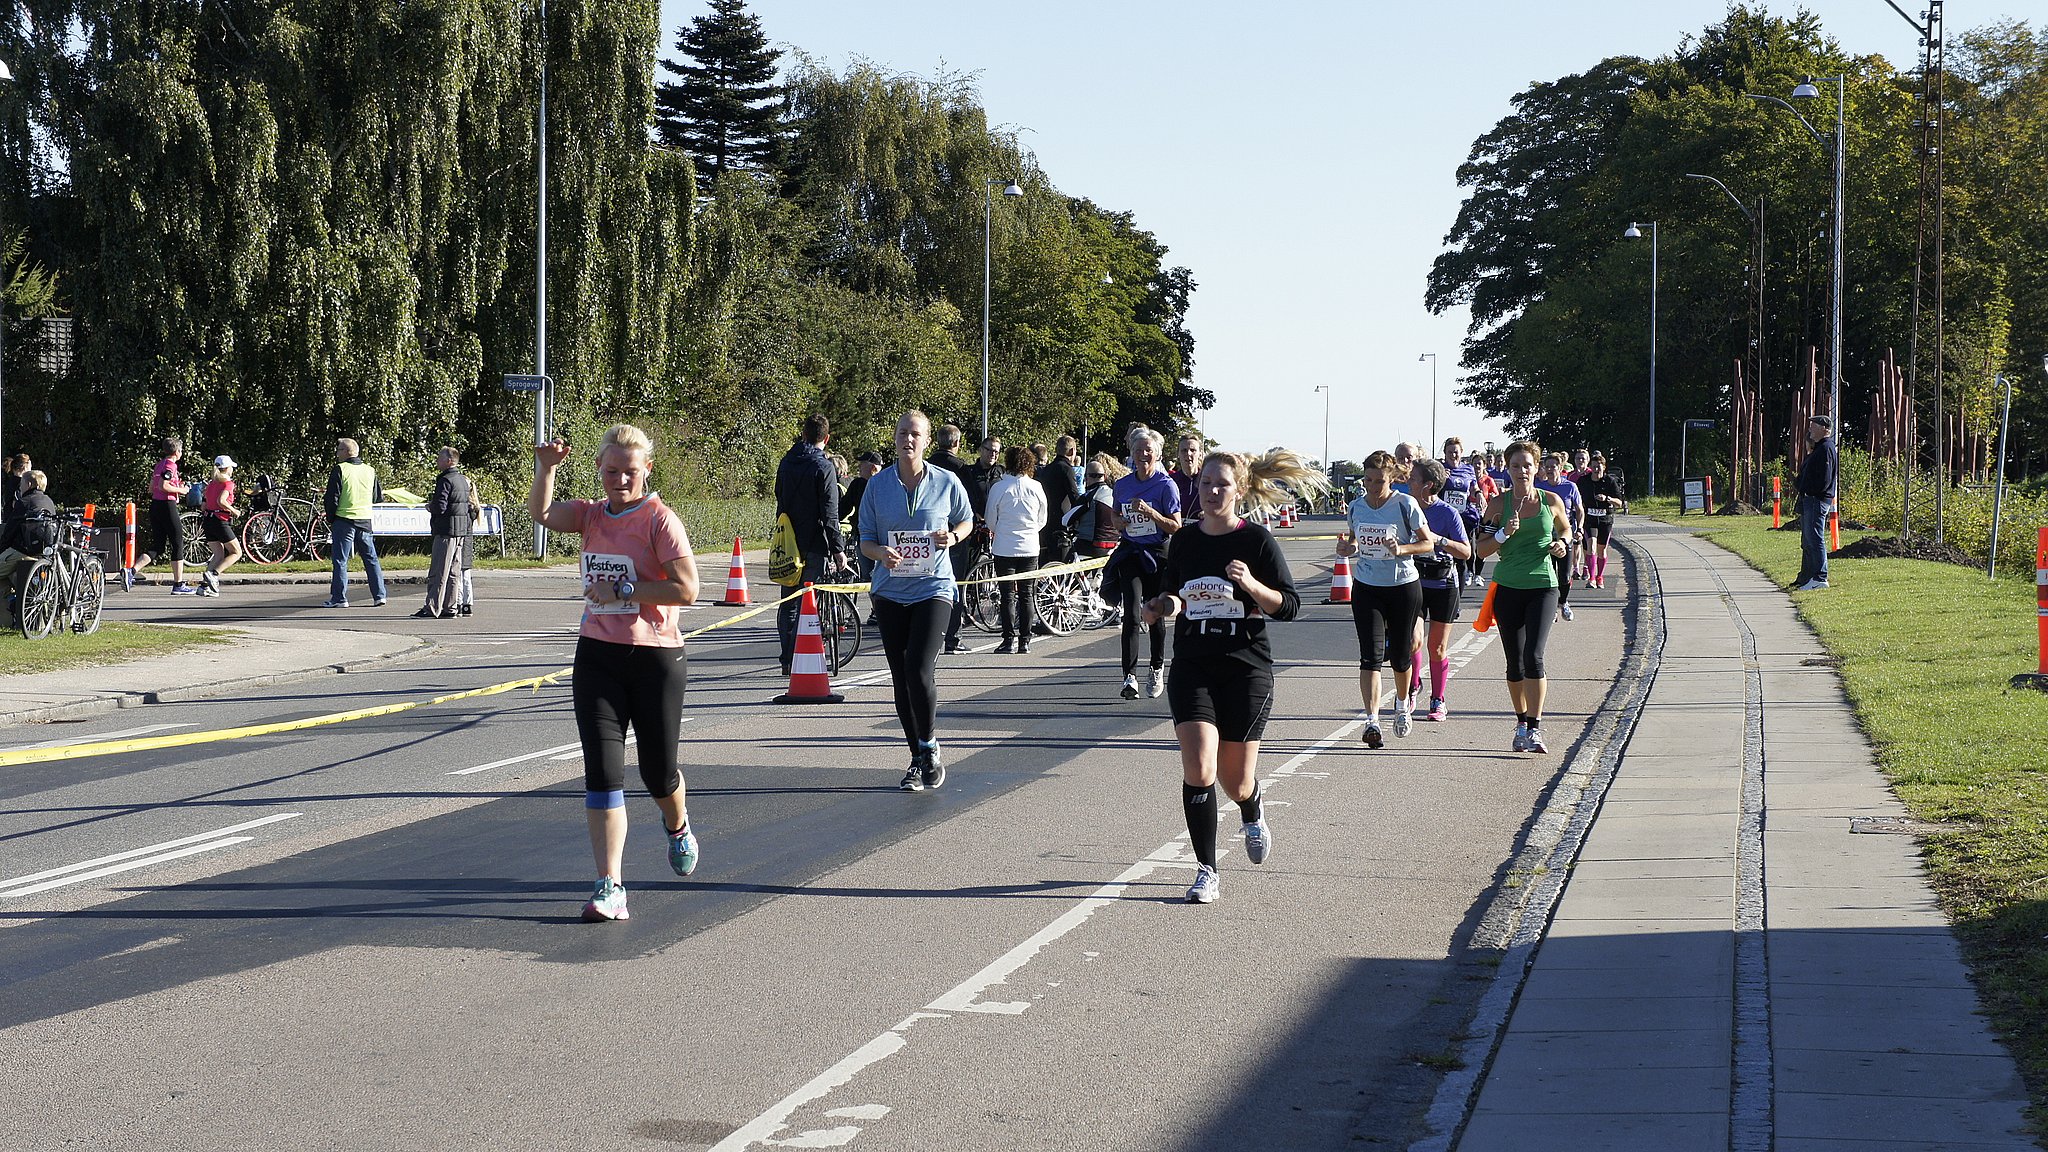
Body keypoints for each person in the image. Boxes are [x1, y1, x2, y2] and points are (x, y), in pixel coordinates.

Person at [529, 423, 701, 923]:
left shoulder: (660, 520)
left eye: (629, 472)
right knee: (603, 774)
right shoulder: (590, 515)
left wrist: (624, 592)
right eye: (610, 472)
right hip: (598, 656)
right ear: (600, 471)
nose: (619, 481)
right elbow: (541, 513)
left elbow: (687, 590)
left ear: (646, 469)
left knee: (657, 772)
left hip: (656, 660)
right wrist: (546, 469)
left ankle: (678, 826)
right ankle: (611, 886)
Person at [1141, 448, 1320, 904]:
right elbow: (1172, 593)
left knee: (1235, 781)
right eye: (1205, 484)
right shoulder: (1182, 541)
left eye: (1221, 484)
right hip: (1194, 665)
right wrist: (1160, 607)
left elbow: (1291, 606)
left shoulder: (1256, 542)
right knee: (1200, 767)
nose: (1212, 492)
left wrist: (1252, 586)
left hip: (1246, 668)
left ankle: (1251, 808)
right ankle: (1206, 870)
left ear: (1239, 490)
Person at [858, 410, 975, 792]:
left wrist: (952, 538)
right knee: (899, 676)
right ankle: (917, 758)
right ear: (894, 439)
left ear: (926, 441)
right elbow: (866, 540)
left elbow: (966, 521)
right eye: (902, 433)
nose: (908, 440)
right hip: (890, 590)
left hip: (934, 587)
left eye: (915, 434)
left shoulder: (947, 481)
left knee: (918, 667)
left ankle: (929, 746)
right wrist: (881, 555)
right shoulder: (877, 487)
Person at [1473, 441, 1572, 754]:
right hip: (1507, 587)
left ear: (1537, 467)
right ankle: (1519, 721)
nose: (1521, 471)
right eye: (1515, 465)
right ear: (1508, 468)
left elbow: (1566, 530)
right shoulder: (1497, 505)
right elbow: (1481, 549)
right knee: (1514, 664)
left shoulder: (1551, 501)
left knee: (1534, 656)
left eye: (1527, 465)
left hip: (1543, 585)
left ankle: (1535, 727)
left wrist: (1563, 545)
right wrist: (1504, 533)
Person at [1339, 450, 1437, 746]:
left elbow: (1428, 542)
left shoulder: (1405, 504)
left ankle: (1402, 704)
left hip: (1402, 587)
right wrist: (1348, 549)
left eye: (1379, 481)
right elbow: (1354, 540)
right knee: (1369, 655)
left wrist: (1402, 549)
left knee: (1401, 655)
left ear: (1391, 478)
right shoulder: (1356, 507)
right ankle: (1371, 722)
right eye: (1368, 479)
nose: (1372, 486)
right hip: (1367, 586)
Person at [1107, 426, 1182, 699]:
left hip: (1158, 554)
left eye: (1148, 451)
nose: (1143, 455)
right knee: (1131, 612)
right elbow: (1115, 517)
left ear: (1157, 454)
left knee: (1154, 611)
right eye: (1138, 451)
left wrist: (1150, 512)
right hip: (1131, 552)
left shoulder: (1166, 486)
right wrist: (1119, 522)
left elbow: (1176, 526)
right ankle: (1129, 677)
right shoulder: (1122, 485)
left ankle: (1156, 666)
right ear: (1132, 455)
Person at [774, 415, 845, 672]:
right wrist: (837, 548)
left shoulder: (786, 462)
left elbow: (778, 495)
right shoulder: (824, 467)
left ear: (803, 434)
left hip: (788, 540)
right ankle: (807, 655)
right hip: (815, 542)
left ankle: (787, 658)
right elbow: (830, 512)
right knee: (810, 600)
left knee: (789, 603)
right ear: (826, 439)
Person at [1404, 459, 1472, 722]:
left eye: (1414, 479)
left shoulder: (1447, 513)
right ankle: (1412, 688)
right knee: (1413, 639)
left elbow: (1466, 552)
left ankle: (1438, 699)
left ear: (1428, 486)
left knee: (1438, 647)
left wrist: (1438, 540)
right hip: (1414, 582)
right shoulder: (1405, 508)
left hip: (1444, 584)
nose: (1409, 482)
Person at [985, 445, 1048, 653]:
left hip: (1004, 546)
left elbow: (990, 518)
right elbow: (1042, 519)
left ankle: (1008, 640)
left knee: (1007, 595)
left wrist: (1001, 531)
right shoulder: (1037, 487)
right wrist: (1029, 531)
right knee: (1027, 594)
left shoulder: (999, 487)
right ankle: (1025, 640)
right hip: (1030, 545)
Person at [928, 424, 984, 656]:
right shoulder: (959, 468)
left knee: (928, 586)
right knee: (955, 585)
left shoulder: (927, 465)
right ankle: (953, 637)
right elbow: (970, 503)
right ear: (956, 444)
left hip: (927, 534)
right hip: (954, 534)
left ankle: (929, 636)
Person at [322, 437, 387, 609]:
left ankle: (339, 598)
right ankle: (379, 595)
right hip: (364, 519)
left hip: (344, 519)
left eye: (339, 450)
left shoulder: (340, 469)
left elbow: (332, 498)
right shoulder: (370, 470)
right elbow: (377, 497)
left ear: (346, 452)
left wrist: (331, 518)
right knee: (371, 559)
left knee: (340, 560)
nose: (337, 454)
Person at [125, 436, 195, 594]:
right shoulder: (171, 466)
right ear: (177, 452)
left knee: (158, 546)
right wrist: (182, 490)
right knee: (178, 543)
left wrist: (176, 485)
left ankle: (131, 571)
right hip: (167, 505)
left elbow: (152, 488)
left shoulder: (159, 465)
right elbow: (164, 486)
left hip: (155, 505)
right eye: (181, 450)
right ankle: (178, 585)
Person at [417, 446, 474, 619]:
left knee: (439, 570)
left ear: (449, 461)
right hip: (460, 531)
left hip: (446, 530)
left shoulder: (445, 480)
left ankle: (432, 607)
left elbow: (440, 507)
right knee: (454, 571)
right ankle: (450, 607)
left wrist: (430, 507)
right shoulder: (462, 480)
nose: (437, 461)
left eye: (440, 458)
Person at [0, 470, 58, 622]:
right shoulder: (48, 501)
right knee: (13, 575)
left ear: (29, 484)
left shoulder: (25, 502)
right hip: (41, 552)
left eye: (21, 485)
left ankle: (12, 598)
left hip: (21, 550)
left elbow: (10, 530)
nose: (19, 489)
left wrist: (1, 548)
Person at [1536, 453, 1585, 622]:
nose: (1549, 470)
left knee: (1564, 576)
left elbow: (1579, 510)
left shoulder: (1570, 487)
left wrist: (1580, 528)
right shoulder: (1539, 487)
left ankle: (1563, 602)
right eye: (1547, 466)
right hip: (1545, 538)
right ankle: (1551, 608)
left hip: (1565, 536)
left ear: (1560, 468)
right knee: (1547, 575)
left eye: (1553, 466)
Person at [1794, 415, 1838, 591]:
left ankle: (1820, 576)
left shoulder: (1826, 448)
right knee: (1808, 540)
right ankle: (1806, 577)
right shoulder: (1819, 449)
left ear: (1824, 428)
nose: (1810, 428)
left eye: (1814, 425)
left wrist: (1811, 490)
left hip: (1817, 500)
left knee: (1815, 538)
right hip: (1810, 499)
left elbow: (1824, 479)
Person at [842, 451, 884, 617]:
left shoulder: (887, 483)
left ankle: (887, 609)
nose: (859, 468)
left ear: (873, 467)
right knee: (867, 575)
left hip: (885, 537)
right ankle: (877, 610)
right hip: (864, 537)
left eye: (862, 464)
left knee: (885, 574)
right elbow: (843, 508)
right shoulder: (857, 485)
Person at [196, 455, 243, 596]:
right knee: (236, 552)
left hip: (208, 520)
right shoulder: (228, 483)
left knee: (218, 555)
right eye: (231, 468)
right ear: (227, 469)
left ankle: (204, 587)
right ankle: (214, 575)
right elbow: (221, 500)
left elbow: (203, 506)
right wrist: (234, 511)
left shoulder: (211, 483)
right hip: (219, 520)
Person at [1575, 452, 1623, 588]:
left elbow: (1619, 503)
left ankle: (1599, 576)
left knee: (1602, 550)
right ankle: (1591, 578)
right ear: (1590, 467)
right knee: (1591, 545)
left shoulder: (1610, 482)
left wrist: (1607, 499)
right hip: (1589, 519)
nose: (1596, 470)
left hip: (1605, 519)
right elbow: (1577, 499)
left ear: (1604, 467)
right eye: (1594, 467)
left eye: (1599, 467)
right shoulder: (1583, 481)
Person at [1035, 435, 1083, 563]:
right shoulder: (1066, 469)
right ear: (1072, 451)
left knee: (1045, 562)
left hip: (1045, 520)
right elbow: (1074, 497)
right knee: (1060, 563)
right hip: (1061, 522)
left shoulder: (1047, 469)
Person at [1169, 433, 1204, 513]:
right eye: (1184, 450)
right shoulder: (1170, 481)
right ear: (1178, 454)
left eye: (1193, 450)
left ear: (1200, 454)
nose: (1188, 454)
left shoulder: (1208, 480)